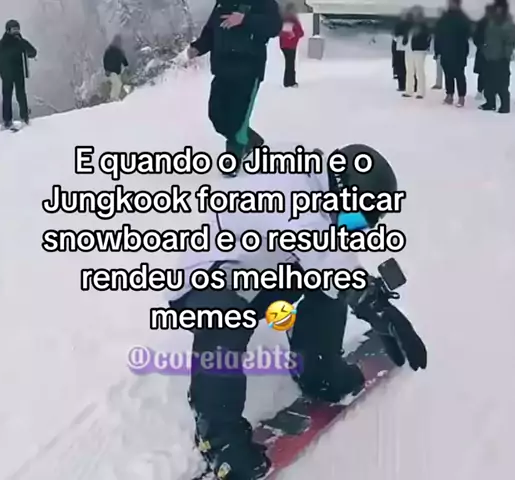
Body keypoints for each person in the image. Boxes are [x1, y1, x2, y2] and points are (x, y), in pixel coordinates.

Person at [166, 144, 428, 480]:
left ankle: (318, 370)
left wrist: (370, 296)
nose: (354, 230)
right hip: (206, 282)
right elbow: (317, 245)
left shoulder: (320, 190)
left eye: (363, 225)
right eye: (354, 219)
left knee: (326, 283)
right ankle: (216, 435)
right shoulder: (287, 189)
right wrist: (373, 304)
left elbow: (327, 255)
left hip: (261, 273)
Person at [187, 0, 281, 177]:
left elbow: (274, 26)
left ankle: (233, 159)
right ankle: (251, 140)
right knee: (216, 115)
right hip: (222, 69)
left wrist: (245, 19)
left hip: (248, 69)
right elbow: (212, 30)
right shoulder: (223, 2)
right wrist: (199, 47)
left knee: (237, 119)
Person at [0, 19, 37, 128]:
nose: (16, 31)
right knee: (7, 97)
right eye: (13, 29)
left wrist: (22, 44)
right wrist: (20, 44)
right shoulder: (2, 43)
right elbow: (4, 52)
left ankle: (23, 116)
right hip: (7, 74)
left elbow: (33, 52)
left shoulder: (20, 42)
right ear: (8, 30)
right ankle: (8, 120)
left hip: (17, 73)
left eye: (17, 29)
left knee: (20, 95)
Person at [480, 0, 515, 113]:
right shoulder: (492, 22)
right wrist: (485, 50)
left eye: (500, 8)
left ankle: (505, 105)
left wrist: (506, 55)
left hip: (501, 59)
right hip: (490, 56)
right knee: (489, 82)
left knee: (502, 83)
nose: (498, 11)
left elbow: (510, 42)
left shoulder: (507, 24)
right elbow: (488, 37)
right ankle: (490, 102)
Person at [434, 0, 471, 107]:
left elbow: (467, 33)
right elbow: (438, 34)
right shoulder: (444, 18)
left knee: (459, 75)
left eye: (452, 3)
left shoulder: (463, 18)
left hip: (459, 51)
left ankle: (461, 97)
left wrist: (463, 50)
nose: (450, 5)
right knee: (448, 74)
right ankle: (449, 94)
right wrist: (437, 50)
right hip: (445, 50)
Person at [400, 6, 431, 99]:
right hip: (409, 49)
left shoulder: (423, 25)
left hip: (419, 50)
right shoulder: (408, 24)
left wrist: (424, 45)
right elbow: (402, 32)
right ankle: (409, 90)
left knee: (419, 71)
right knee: (409, 71)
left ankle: (420, 92)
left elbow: (427, 37)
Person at [279, 3, 304, 88]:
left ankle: (287, 81)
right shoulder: (294, 20)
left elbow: (279, 32)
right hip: (292, 45)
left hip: (283, 45)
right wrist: (295, 36)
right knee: (291, 63)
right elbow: (301, 33)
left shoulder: (283, 20)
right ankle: (291, 82)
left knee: (288, 63)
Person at [473, 5, 494, 101]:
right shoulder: (481, 23)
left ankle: (489, 91)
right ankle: (480, 91)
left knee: (491, 73)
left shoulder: (496, 23)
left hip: (492, 51)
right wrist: (481, 45)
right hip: (484, 51)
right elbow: (476, 37)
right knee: (483, 72)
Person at [103, 35, 129, 102]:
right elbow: (105, 60)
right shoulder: (111, 51)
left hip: (116, 72)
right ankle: (113, 98)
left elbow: (123, 60)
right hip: (111, 71)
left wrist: (126, 65)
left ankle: (115, 97)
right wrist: (106, 70)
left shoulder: (116, 51)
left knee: (117, 84)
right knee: (117, 83)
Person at [392, 10, 412, 92]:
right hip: (406, 48)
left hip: (400, 47)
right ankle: (409, 85)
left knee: (401, 67)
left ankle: (402, 85)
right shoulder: (411, 25)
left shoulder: (399, 25)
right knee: (406, 67)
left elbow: (395, 35)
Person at [431, 8, 445, 90]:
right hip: (443, 50)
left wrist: (437, 52)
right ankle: (439, 83)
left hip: (441, 50)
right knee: (440, 68)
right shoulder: (440, 25)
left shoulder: (439, 25)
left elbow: (437, 40)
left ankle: (439, 83)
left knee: (440, 68)